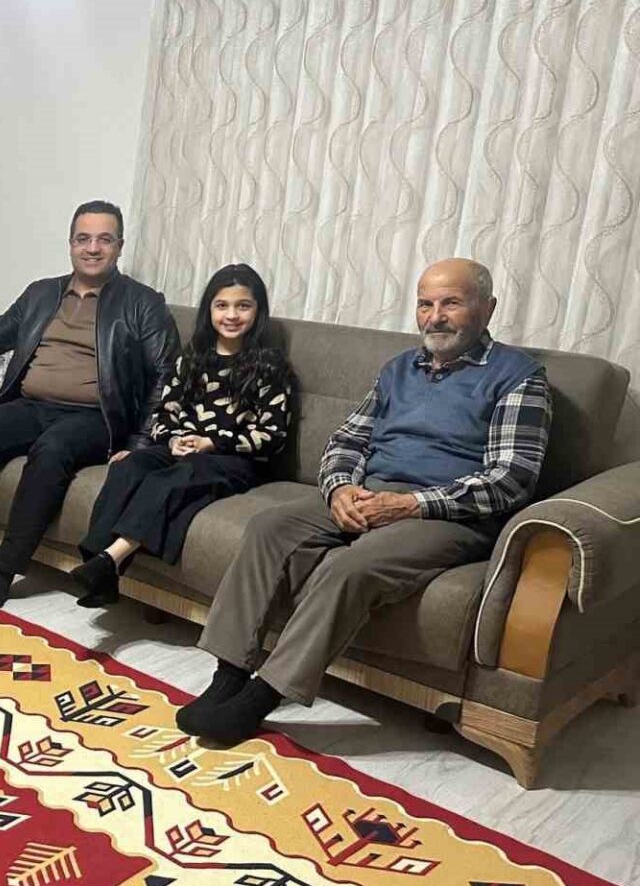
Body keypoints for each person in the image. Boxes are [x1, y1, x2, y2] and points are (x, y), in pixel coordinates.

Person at [176, 258, 551, 744]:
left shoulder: (518, 376)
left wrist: (411, 504)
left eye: (451, 303)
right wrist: (339, 488)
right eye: (425, 304)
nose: (435, 316)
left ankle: (263, 695)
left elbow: (511, 479)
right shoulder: (399, 368)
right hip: (369, 491)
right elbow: (347, 440)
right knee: (269, 528)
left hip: (447, 515)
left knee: (351, 565)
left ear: (488, 308)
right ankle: (228, 675)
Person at [0, 200, 180, 615]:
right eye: (83, 239)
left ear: (119, 246)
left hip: (95, 417)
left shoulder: (143, 303)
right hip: (30, 405)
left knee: (52, 451)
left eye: (104, 239)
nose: (93, 248)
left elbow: (165, 374)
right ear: (71, 244)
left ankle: (4, 571)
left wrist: (138, 444)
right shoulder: (42, 294)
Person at [71, 264, 293, 607]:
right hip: (182, 447)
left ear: (258, 311)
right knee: (129, 467)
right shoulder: (191, 357)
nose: (231, 315)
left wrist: (212, 442)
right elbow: (164, 413)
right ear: (209, 310)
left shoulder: (271, 367)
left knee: (179, 477)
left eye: (243, 306)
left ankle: (109, 560)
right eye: (222, 305)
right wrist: (173, 439)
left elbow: (272, 435)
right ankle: (100, 569)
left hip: (235, 459)